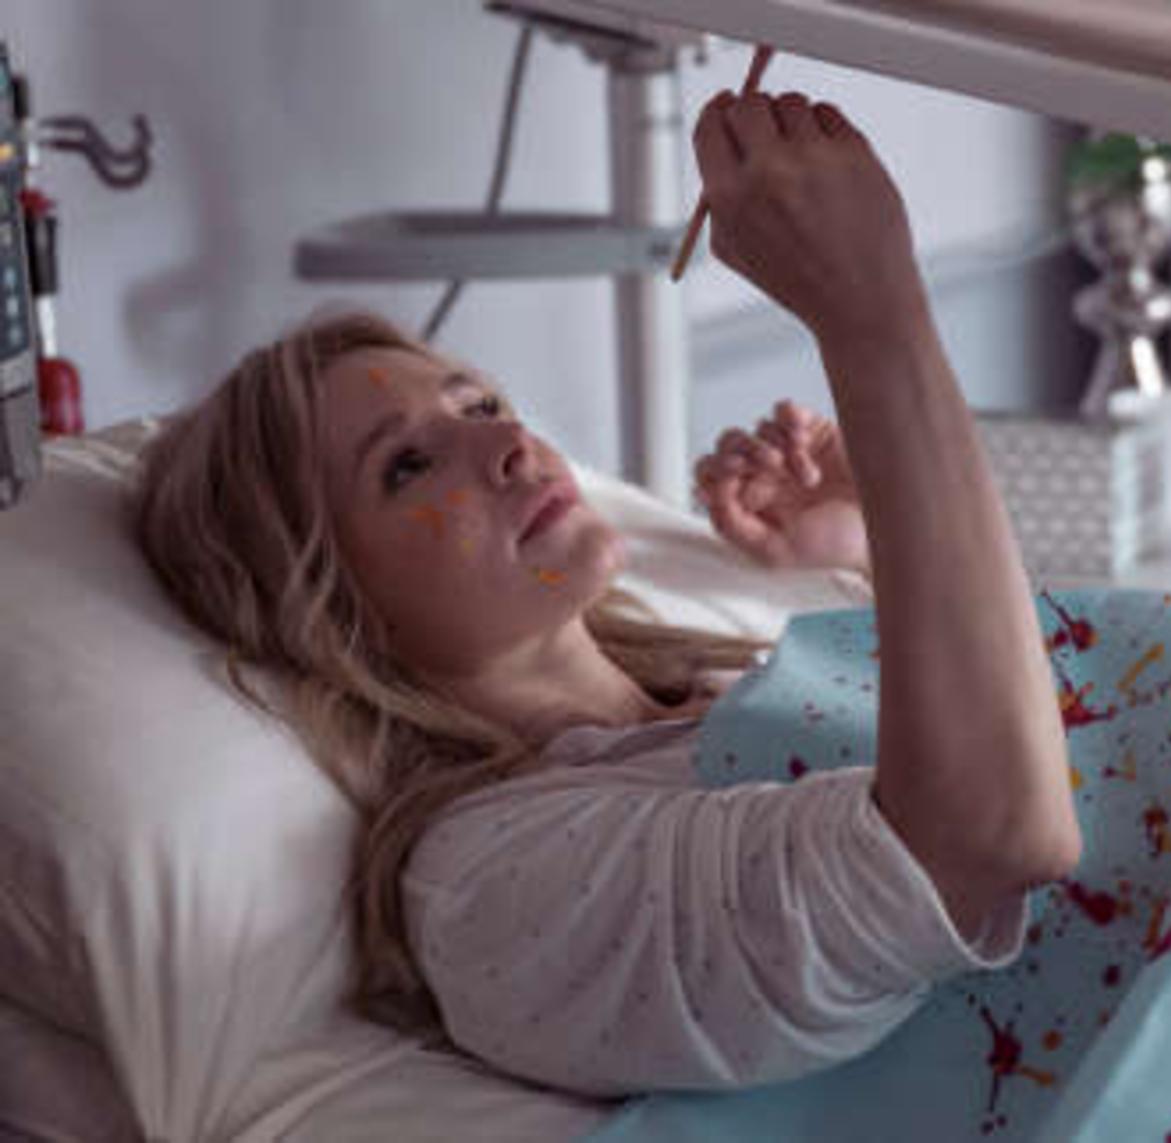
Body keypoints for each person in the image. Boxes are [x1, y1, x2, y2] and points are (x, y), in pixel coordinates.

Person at [132, 83, 1081, 1094]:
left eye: (480, 404)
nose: (508, 440)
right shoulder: (489, 884)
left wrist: (875, 547)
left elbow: (1069, 731)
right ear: (326, 608)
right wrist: (871, 316)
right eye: (407, 465)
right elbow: (988, 836)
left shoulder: (731, 684)